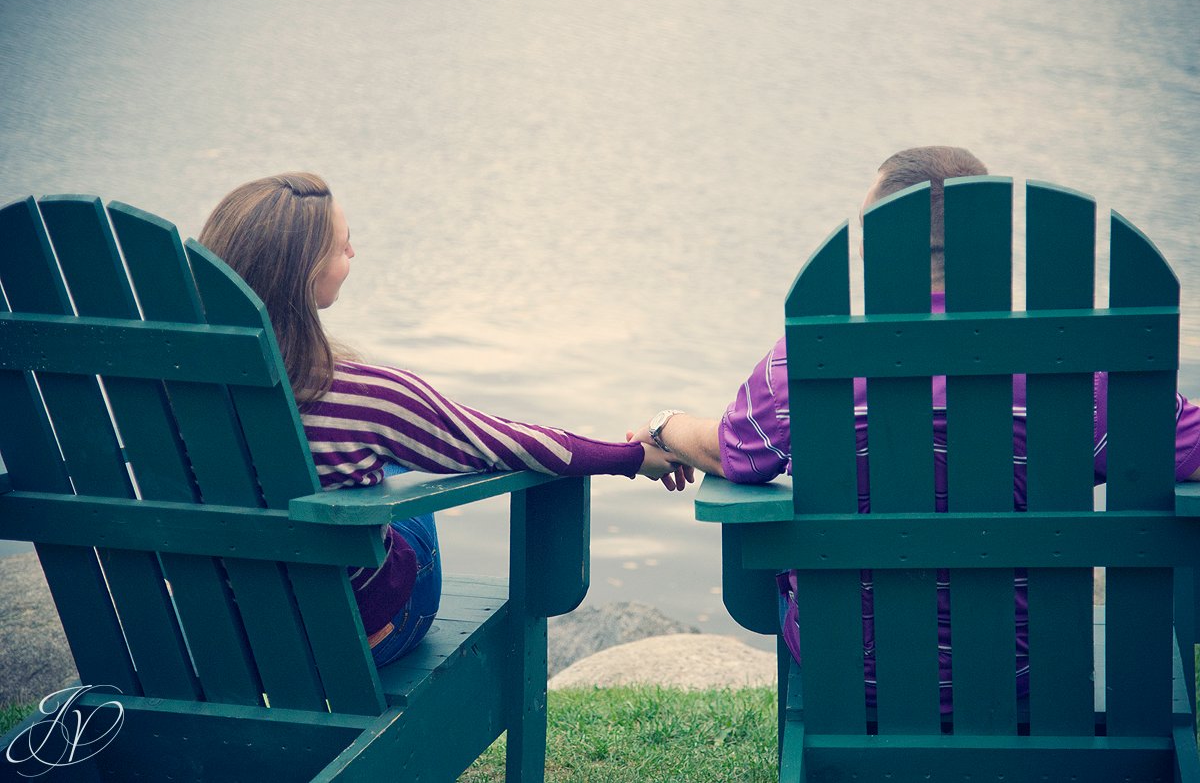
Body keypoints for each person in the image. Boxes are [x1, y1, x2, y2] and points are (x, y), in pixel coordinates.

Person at [631, 145, 1200, 714]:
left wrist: (665, 426)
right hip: (1029, 668)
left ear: (877, 242)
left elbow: (735, 456)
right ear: (994, 241)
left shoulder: (808, 363)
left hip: (855, 669)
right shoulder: (1080, 374)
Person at [198, 172, 688, 666]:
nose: (353, 255)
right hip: (357, 637)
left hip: (227, 632)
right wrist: (635, 456)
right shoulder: (365, 396)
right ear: (303, 273)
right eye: (343, 247)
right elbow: (507, 444)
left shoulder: (172, 394)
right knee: (394, 476)